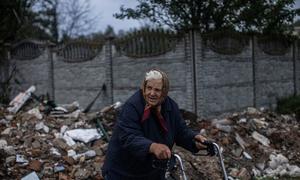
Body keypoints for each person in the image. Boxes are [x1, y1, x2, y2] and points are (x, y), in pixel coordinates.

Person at [102, 69, 209, 180]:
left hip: (151, 172)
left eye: (157, 90)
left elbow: (180, 131)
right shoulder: (132, 107)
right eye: (149, 88)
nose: (152, 93)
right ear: (143, 87)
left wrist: (194, 140)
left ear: (164, 92)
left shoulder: (170, 107)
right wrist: (153, 147)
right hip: (123, 172)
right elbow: (129, 137)